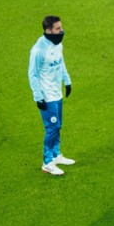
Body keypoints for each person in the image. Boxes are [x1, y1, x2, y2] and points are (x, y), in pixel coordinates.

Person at [28, 15, 75, 176]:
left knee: (58, 126)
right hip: (47, 96)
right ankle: (47, 162)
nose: (62, 31)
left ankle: (56, 155)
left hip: (57, 93)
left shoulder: (57, 44)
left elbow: (60, 63)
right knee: (52, 128)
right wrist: (38, 97)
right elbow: (32, 74)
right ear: (49, 30)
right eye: (58, 29)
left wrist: (67, 81)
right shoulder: (38, 50)